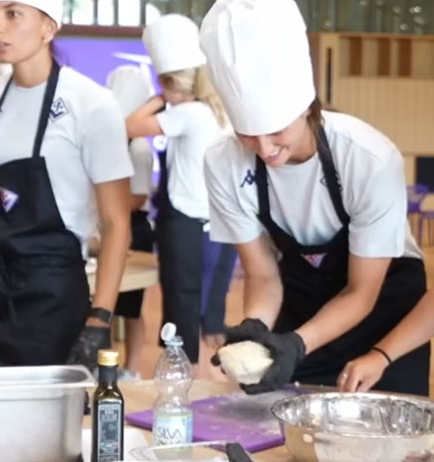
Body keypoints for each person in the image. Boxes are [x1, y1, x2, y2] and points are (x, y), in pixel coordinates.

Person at [201, 0, 429, 395]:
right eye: (247, 134)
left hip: (383, 316)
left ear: (307, 108)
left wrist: (295, 344)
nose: (265, 149)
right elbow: (262, 274)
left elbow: (361, 292)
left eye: (276, 130)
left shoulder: (368, 159)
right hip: (305, 312)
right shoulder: (223, 163)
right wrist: (257, 332)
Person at [0, 0, 133, 370]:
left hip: (52, 297)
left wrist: (100, 318)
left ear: (48, 27)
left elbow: (116, 223)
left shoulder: (92, 104)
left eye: (13, 14)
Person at [125, 14, 236, 374]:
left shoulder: (189, 113)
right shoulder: (217, 112)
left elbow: (130, 126)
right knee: (208, 310)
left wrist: (159, 97)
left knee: (182, 304)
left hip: (185, 223)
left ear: (172, 82)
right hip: (217, 223)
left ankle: (186, 381)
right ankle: (207, 381)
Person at [106, 65, 154, 379]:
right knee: (107, 304)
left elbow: (138, 197)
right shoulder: (108, 143)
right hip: (109, 224)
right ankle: (107, 365)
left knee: (132, 308)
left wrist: (106, 200)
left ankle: (133, 368)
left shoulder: (139, 148)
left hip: (135, 227)